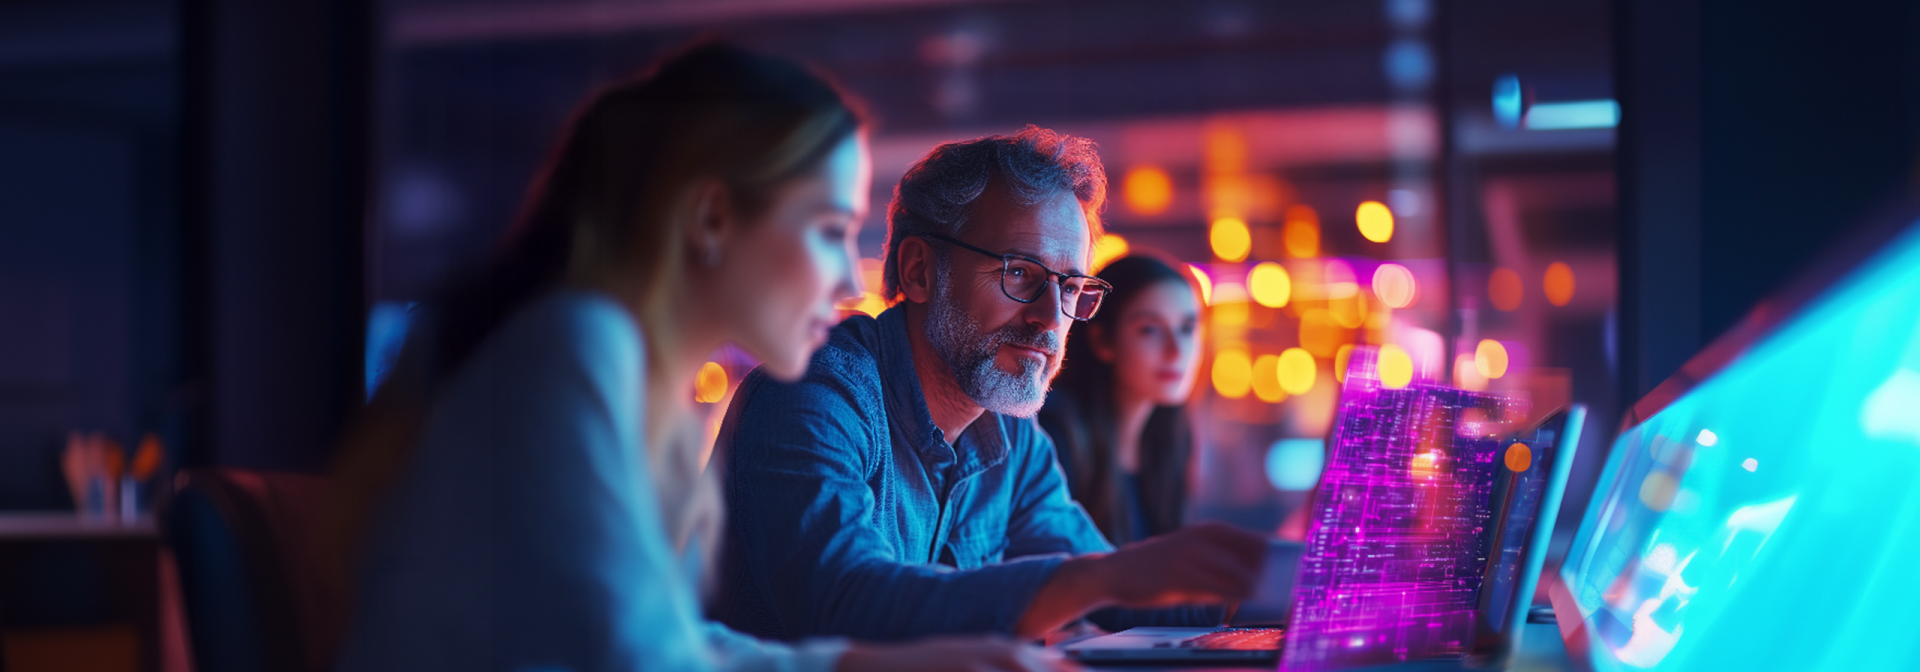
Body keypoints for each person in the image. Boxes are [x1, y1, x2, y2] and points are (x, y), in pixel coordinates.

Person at [327, 43, 1071, 672]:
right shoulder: (578, 348)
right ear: (713, 217)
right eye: (827, 230)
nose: (849, 278)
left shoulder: (632, 380)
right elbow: (641, 655)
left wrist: (882, 662)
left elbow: (670, 643)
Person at [711, 127, 1269, 643]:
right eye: (1019, 272)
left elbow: (1120, 592)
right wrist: (1096, 579)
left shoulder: (1012, 436)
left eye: (1070, 287)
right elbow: (843, 603)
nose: (1050, 318)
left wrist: (1276, 590)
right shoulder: (811, 396)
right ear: (919, 271)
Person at [1035, 254, 1202, 546]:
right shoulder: (1056, 433)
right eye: (1150, 329)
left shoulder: (1170, 439)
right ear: (1102, 341)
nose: (1177, 351)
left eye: (1187, 329)